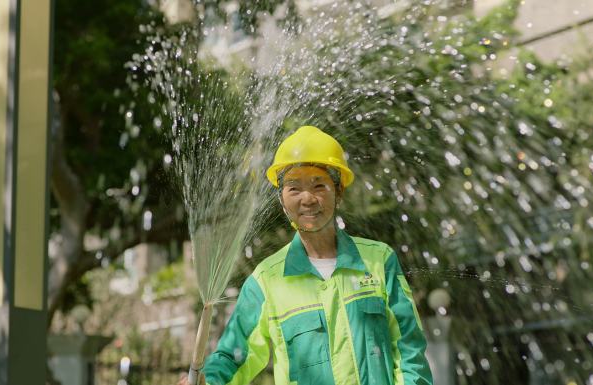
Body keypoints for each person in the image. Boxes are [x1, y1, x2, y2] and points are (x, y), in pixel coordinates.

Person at [178, 126, 433, 385]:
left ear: (339, 192)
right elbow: (234, 356)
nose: (308, 198)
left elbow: (409, 351)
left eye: (319, 185)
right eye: (294, 188)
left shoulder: (380, 261)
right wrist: (207, 381)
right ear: (281, 200)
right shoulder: (265, 281)